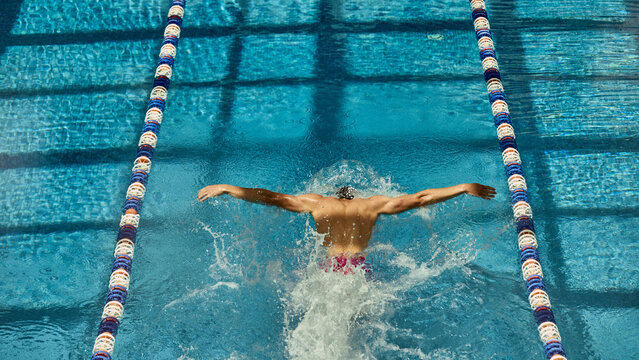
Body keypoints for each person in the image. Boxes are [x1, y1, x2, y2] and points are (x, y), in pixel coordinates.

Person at [197, 182, 495, 275]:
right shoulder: (372, 205)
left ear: (333, 194)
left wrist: (228, 188)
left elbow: (271, 197)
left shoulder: (315, 203)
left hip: (327, 269)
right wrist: (464, 187)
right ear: (355, 196)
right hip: (359, 269)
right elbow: (420, 198)